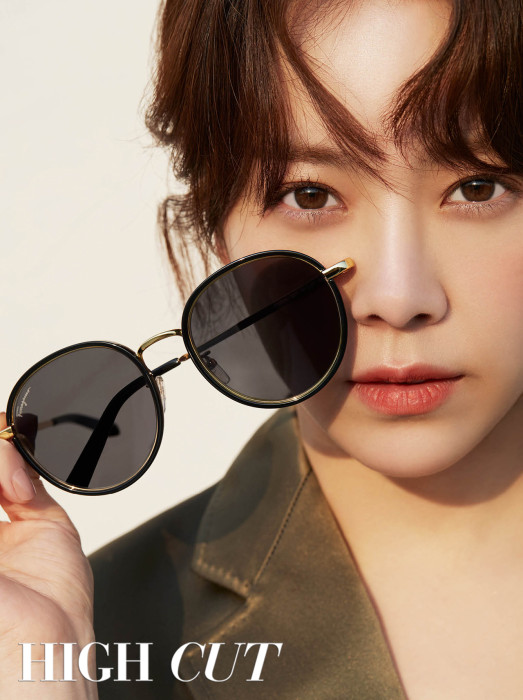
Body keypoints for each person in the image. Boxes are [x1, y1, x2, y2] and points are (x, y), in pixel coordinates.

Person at [0, 0, 522, 697]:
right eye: (309, 195)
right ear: (218, 231)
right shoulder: (89, 643)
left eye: (478, 186)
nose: (398, 298)